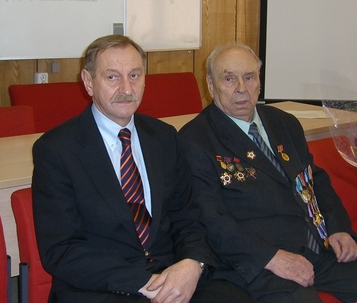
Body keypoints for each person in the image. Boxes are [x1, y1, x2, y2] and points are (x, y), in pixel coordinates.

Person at [32, 34, 256, 303]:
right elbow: (61, 249)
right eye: (112, 77)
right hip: (102, 288)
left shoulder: (164, 137)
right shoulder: (57, 150)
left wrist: (192, 263)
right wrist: (144, 283)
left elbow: (189, 216)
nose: (126, 88)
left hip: (172, 275)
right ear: (88, 82)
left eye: (135, 75)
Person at [178, 42, 357, 303]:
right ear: (210, 84)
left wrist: (339, 228)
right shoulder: (195, 140)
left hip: (320, 248)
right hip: (261, 262)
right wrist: (271, 258)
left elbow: (314, 179)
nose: (241, 88)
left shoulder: (283, 122)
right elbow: (210, 218)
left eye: (249, 77)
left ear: (259, 82)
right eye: (229, 79)